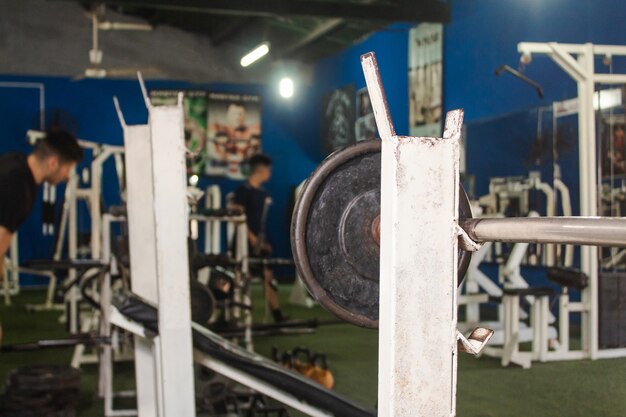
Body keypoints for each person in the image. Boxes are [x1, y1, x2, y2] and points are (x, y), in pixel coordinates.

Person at [0, 128, 83, 342]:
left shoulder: (16, 164)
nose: (67, 177)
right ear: (53, 162)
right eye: (68, 169)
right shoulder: (18, 185)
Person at [231, 154, 286, 322]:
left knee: (268, 277)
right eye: (268, 170)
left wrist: (261, 242)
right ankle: (227, 314)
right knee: (237, 279)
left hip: (258, 244)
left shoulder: (263, 193)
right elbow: (238, 219)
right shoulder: (243, 191)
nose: (270, 173)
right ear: (261, 171)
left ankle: (278, 317)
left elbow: (259, 222)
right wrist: (252, 239)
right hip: (242, 244)